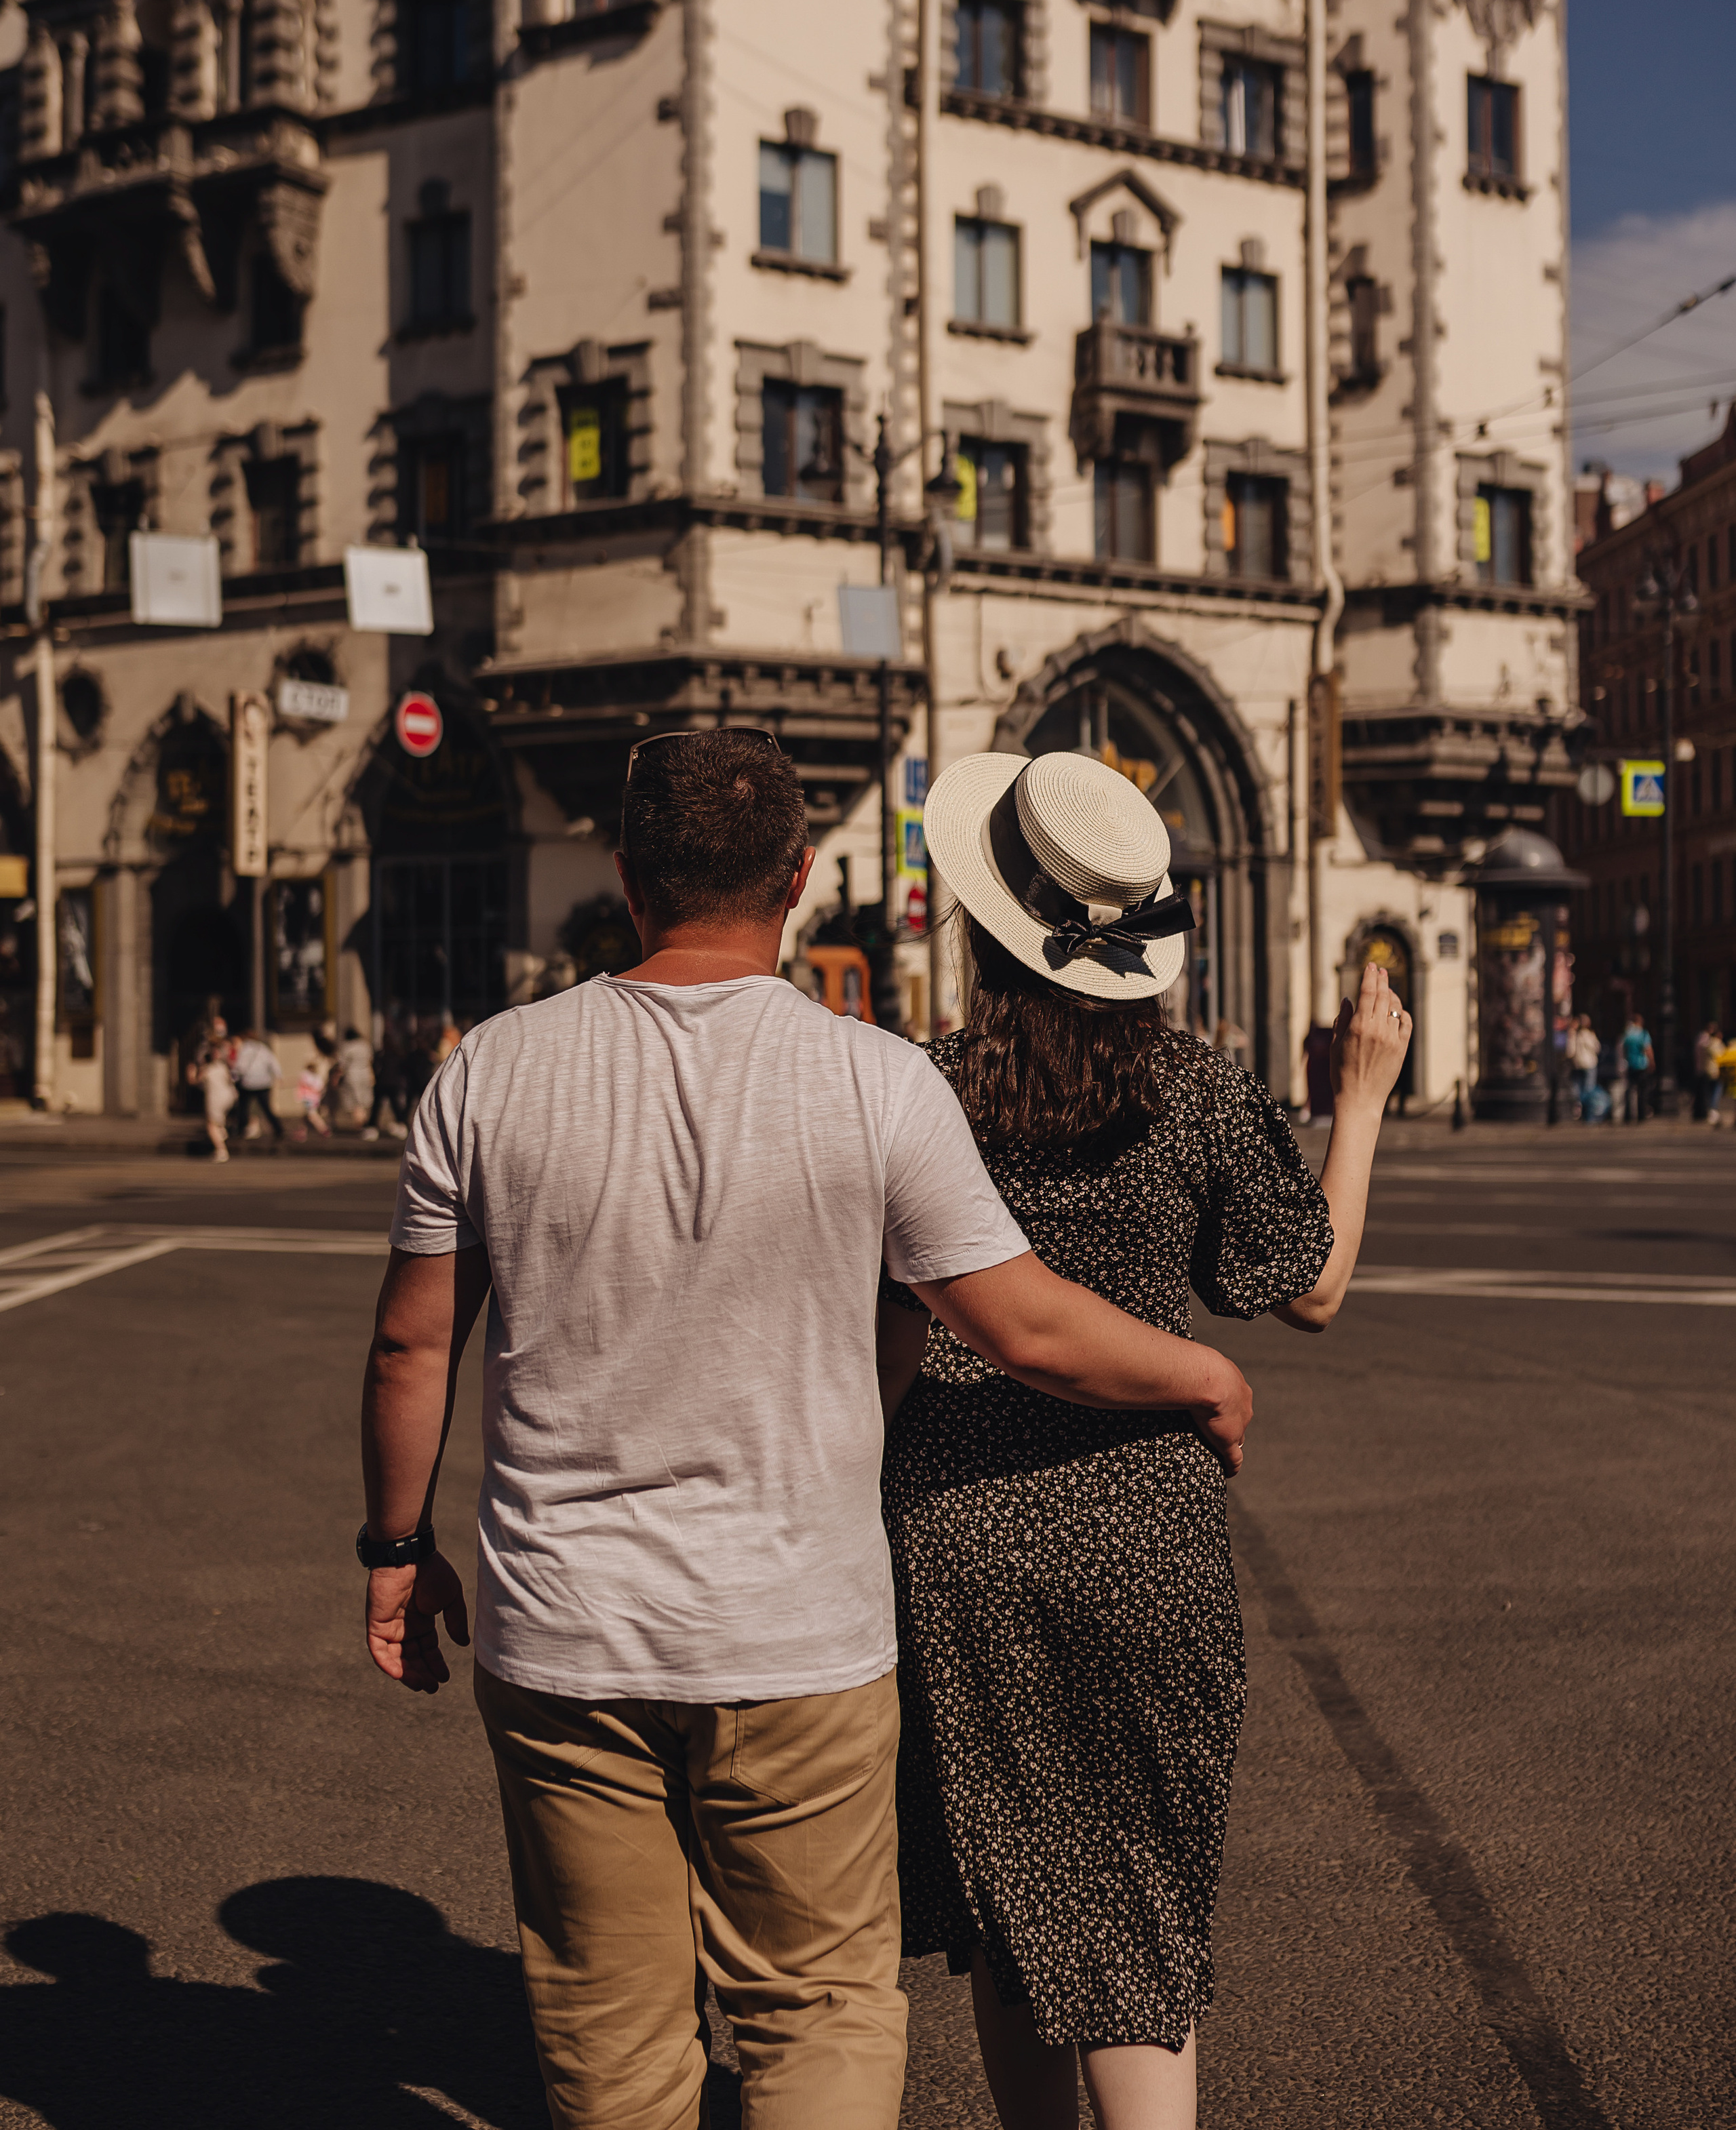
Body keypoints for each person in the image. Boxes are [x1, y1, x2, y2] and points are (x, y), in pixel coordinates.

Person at [358, 730, 1265, 2130]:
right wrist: (1199, 1379)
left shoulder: (487, 1072)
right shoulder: (875, 1082)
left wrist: (397, 1548)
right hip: (800, 1642)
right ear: (795, 880)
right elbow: (1014, 1323)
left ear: (624, 879)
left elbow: (413, 1342)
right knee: (818, 2009)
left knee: (613, 2036)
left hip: (565, 1636)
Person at [880, 749, 1410, 2130]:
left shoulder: (918, 1092)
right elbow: (1309, 1286)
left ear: (983, 921)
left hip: (955, 1534)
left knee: (1011, 1892)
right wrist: (1357, 1099)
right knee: (1135, 1905)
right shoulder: (1191, 1092)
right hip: (1145, 1538)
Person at [231, 1029, 283, 1143]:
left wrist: (234, 1076)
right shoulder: (263, 1048)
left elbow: (241, 1066)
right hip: (264, 1082)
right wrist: (279, 1076)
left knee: (243, 1107)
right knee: (266, 1108)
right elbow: (273, 1062)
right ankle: (278, 1129)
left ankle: (241, 1129)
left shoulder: (245, 1049)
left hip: (248, 1083)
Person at [196, 1036, 236, 1163]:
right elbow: (231, 1078)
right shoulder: (223, 1067)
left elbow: (197, 1081)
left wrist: (192, 1073)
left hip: (215, 1097)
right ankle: (222, 1131)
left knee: (211, 1125)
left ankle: (221, 1150)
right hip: (229, 1095)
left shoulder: (207, 1069)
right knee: (218, 1121)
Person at [1619, 1012, 1654, 1123]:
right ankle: (1641, 1115)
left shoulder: (1628, 1034)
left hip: (1631, 1064)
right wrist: (1652, 1062)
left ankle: (1628, 1115)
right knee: (1642, 1091)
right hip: (1642, 1064)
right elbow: (1648, 1049)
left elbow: (1623, 1049)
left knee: (1630, 1090)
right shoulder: (1643, 1034)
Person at [1569, 1013, 1602, 1124]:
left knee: (1581, 1091)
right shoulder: (1589, 1035)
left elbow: (1570, 1052)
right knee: (1589, 1090)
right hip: (1590, 1065)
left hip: (1578, 1065)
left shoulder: (1576, 1035)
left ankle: (1584, 1114)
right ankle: (1590, 1116)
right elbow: (1597, 1048)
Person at [1692, 1022, 1724, 1125]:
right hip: (1715, 1072)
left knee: (1708, 1092)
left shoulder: (1706, 1042)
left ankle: (1709, 1110)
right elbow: (1721, 1056)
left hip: (1705, 1071)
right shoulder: (1716, 1044)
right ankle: (1713, 1110)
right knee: (1716, 1091)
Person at [295, 1054, 332, 1141]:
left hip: (309, 1099)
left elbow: (302, 1086)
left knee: (312, 1115)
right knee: (306, 1116)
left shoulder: (305, 1075)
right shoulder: (317, 1077)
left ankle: (324, 1129)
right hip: (315, 1099)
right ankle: (302, 1131)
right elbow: (321, 1088)